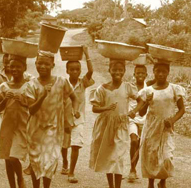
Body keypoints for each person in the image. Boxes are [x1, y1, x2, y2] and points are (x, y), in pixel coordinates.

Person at [25, 51, 80, 188]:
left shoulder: (61, 82)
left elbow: (74, 98)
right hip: (35, 129)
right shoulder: (31, 85)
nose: (42, 66)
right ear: (35, 64)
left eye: (46, 64)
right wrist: (42, 95)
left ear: (52, 65)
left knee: (51, 160)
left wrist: (75, 110)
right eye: (39, 63)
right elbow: (31, 110)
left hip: (54, 129)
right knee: (36, 160)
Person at [89, 59, 143, 188]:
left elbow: (141, 101)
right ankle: (111, 186)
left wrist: (134, 111)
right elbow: (94, 108)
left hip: (121, 125)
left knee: (118, 158)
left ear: (124, 71)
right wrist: (106, 108)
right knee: (108, 156)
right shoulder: (102, 89)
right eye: (114, 70)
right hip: (106, 125)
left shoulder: (127, 87)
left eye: (120, 70)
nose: (117, 72)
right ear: (109, 71)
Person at [0, 54, 33, 166]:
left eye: (9, 62)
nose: (9, 67)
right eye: (6, 63)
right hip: (6, 109)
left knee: (24, 133)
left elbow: (34, 85)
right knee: (5, 134)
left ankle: (27, 159)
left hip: (22, 111)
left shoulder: (26, 76)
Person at [139, 61, 185, 188]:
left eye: (163, 71)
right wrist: (147, 102)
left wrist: (172, 120)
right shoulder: (147, 91)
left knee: (167, 157)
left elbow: (182, 110)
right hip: (151, 127)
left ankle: (162, 181)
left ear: (168, 73)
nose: (160, 74)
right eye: (157, 71)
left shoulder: (174, 89)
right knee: (151, 155)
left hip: (166, 128)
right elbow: (141, 113)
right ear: (153, 71)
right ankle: (151, 183)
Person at [61, 46, 95, 183]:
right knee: (64, 145)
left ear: (80, 71)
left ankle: (71, 172)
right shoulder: (63, 83)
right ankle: (64, 161)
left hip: (78, 119)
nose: (75, 72)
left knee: (75, 145)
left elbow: (91, 70)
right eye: (72, 69)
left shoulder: (83, 83)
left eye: (77, 69)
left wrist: (87, 53)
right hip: (64, 119)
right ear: (67, 71)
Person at [0, 55, 29, 188]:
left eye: (18, 66)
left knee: (13, 157)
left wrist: (22, 101)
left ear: (24, 68)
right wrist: (5, 99)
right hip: (7, 126)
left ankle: (20, 178)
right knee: (7, 159)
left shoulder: (29, 86)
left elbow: (34, 106)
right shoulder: (3, 87)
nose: (14, 69)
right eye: (12, 66)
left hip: (22, 126)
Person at [128, 64, 148, 182]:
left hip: (145, 119)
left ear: (146, 75)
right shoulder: (130, 87)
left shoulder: (149, 87)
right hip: (132, 119)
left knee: (138, 145)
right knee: (134, 141)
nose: (140, 75)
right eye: (138, 73)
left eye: (142, 73)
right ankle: (132, 169)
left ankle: (133, 168)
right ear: (134, 74)